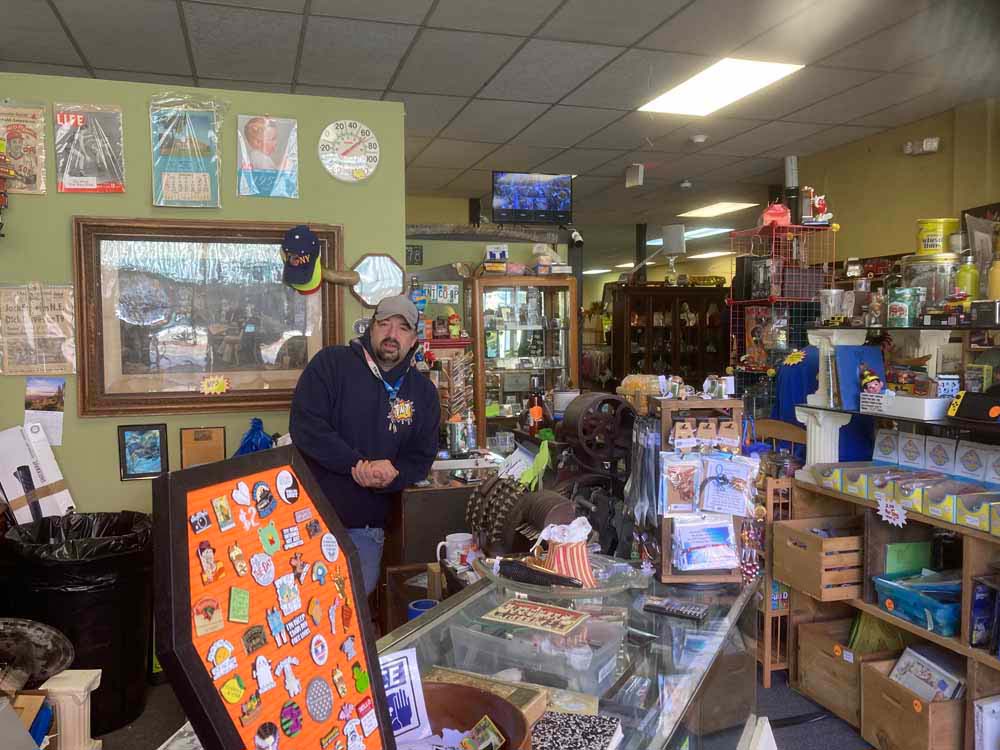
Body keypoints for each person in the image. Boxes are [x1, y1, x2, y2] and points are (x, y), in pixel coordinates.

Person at [290, 294, 440, 597]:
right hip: (310, 520)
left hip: (367, 530)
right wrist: (356, 464)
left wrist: (393, 473)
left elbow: (422, 454)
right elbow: (307, 427)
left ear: (414, 340)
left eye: (402, 328)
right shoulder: (331, 364)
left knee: (351, 605)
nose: (392, 334)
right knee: (302, 605)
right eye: (384, 324)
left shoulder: (423, 392)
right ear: (371, 328)